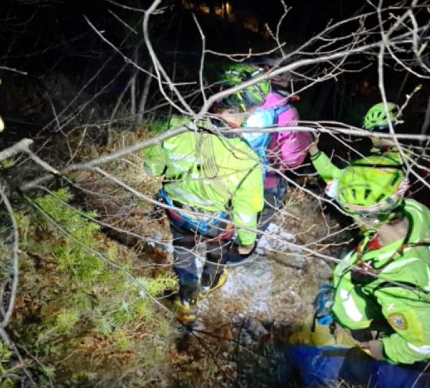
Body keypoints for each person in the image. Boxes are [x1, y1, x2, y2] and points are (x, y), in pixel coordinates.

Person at [313, 155, 430, 364]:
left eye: (352, 213)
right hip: (363, 280)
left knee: (354, 347)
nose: (352, 218)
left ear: (370, 217)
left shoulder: (399, 282)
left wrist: (385, 349)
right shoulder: (414, 211)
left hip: (361, 321)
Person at [143, 114, 264, 325]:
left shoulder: (176, 127)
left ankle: (187, 300)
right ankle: (208, 283)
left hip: (177, 210)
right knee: (218, 248)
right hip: (215, 220)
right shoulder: (244, 157)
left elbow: (151, 168)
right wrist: (247, 242)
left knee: (183, 249)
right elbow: (245, 211)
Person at [211, 62, 314, 227]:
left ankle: (210, 239)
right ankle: (243, 242)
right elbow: (291, 159)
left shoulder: (232, 94)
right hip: (262, 183)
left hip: (218, 170)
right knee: (253, 225)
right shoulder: (286, 112)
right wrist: (308, 138)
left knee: (215, 222)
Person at [308, 101, 401, 186]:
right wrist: (314, 150)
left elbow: (337, 178)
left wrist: (314, 150)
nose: (375, 138)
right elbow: (337, 176)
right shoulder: (372, 157)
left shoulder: (394, 160)